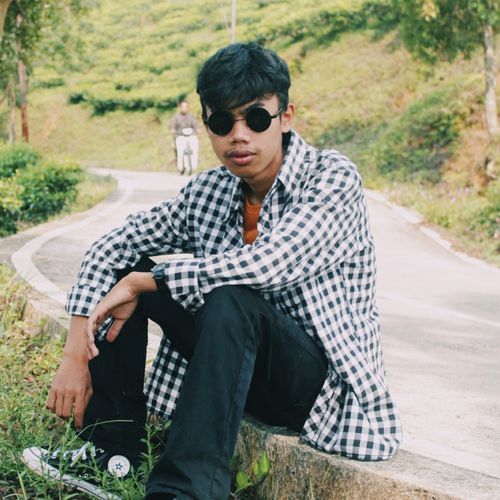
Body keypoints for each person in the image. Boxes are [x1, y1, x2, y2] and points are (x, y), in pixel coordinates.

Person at [22, 43, 402, 499]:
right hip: (234, 364)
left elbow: (269, 264)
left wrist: (149, 282)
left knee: (228, 295)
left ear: (286, 117)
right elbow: (112, 245)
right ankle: (113, 452)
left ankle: (186, 491)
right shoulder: (210, 190)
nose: (238, 136)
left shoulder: (331, 177)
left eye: (255, 119)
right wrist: (74, 350)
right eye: (222, 122)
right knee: (129, 266)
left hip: (313, 386)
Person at [170, 100, 199, 174]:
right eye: (183, 107)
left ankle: (193, 166)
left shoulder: (191, 116)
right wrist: (173, 130)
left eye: (186, 107)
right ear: (180, 107)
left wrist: (198, 129)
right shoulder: (176, 116)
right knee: (180, 151)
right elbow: (172, 126)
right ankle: (180, 168)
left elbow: (195, 124)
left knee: (195, 144)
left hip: (190, 135)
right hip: (180, 135)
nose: (184, 108)